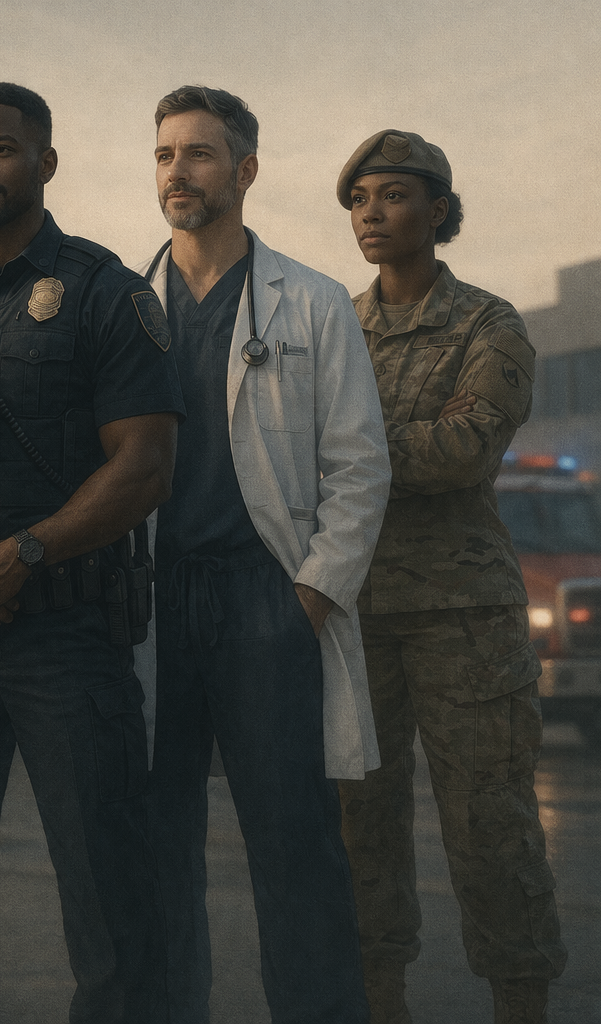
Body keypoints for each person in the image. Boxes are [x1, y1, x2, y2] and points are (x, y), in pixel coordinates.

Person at [0, 82, 183, 1024]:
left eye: (2, 148)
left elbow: (145, 465)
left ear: (45, 162)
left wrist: (23, 554)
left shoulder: (106, 292)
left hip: (68, 635)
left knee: (107, 888)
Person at [137, 85, 391, 1024]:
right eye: (165, 154)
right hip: (155, 600)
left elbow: (359, 467)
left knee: (295, 850)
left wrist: (309, 598)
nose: (177, 171)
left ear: (244, 170)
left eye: (199, 153)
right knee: (156, 848)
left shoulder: (312, 302)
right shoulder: (123, 305)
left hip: (266, 600)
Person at [335, 130, 566, 1024]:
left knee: (490, 825)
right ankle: (378, 1002)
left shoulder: (488, 325)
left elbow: (463, 450)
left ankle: (521, 1004)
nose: (371, 213)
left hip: (464, 616)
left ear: (438, 211)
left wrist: (345, 454)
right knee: (361, 827)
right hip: (356, 610)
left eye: (392, 195)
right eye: (359, 199)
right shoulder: (335, 328)